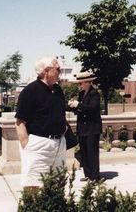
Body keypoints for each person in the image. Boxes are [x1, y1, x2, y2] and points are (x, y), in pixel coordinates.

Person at [15, 56, 67, 189]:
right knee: (33, 185)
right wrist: (26, 144)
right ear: (46, 71)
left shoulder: (58, 90)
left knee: (58, 184)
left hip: (59, 144)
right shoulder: (30, 91)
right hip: (38, 146)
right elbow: (20, 121)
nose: (60, 71)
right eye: (58, 69)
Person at [68, 71, 102, 181]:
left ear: (87, 82)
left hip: (92, 128)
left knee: (92, 153)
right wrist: (74, 106)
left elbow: (92, 108)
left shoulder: (94, 93)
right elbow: (82, 109)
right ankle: (88, 175)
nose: (79, 85)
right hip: (82, 128)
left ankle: (95, 177)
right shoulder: (82, 94)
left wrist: (79, 105)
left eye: (80, 83)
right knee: (84, 152)